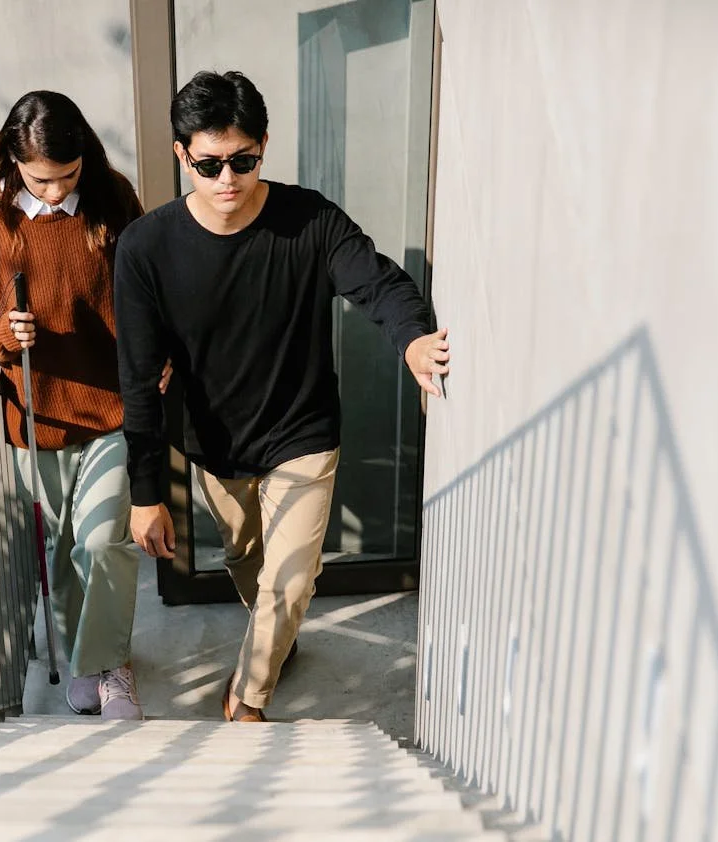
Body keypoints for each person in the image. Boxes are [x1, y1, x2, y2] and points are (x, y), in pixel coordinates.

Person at [114, 70, 450, 723]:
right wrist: (146, 494)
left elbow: (378, 282)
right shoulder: (146, 249)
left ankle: (249, 700)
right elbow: (137, 379)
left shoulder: (310, 221)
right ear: (182, 153)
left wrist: (410, 339)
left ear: (264, 145)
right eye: (208, 165)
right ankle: (277, 636)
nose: (227, 180)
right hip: (214, 444)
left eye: (243, 160)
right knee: (250, 561)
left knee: (292, 576)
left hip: (302, 432)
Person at [0, 90, 164, 720]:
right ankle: (85, 657)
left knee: (101, 542)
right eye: (44, 179)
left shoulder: (112, 196)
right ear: (14, 161)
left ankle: (111, 668)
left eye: (69, 175)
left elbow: (147, 295)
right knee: (63, 551)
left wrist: (160, 363)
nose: (60, 188)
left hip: (113, 411)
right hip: (35, 417)